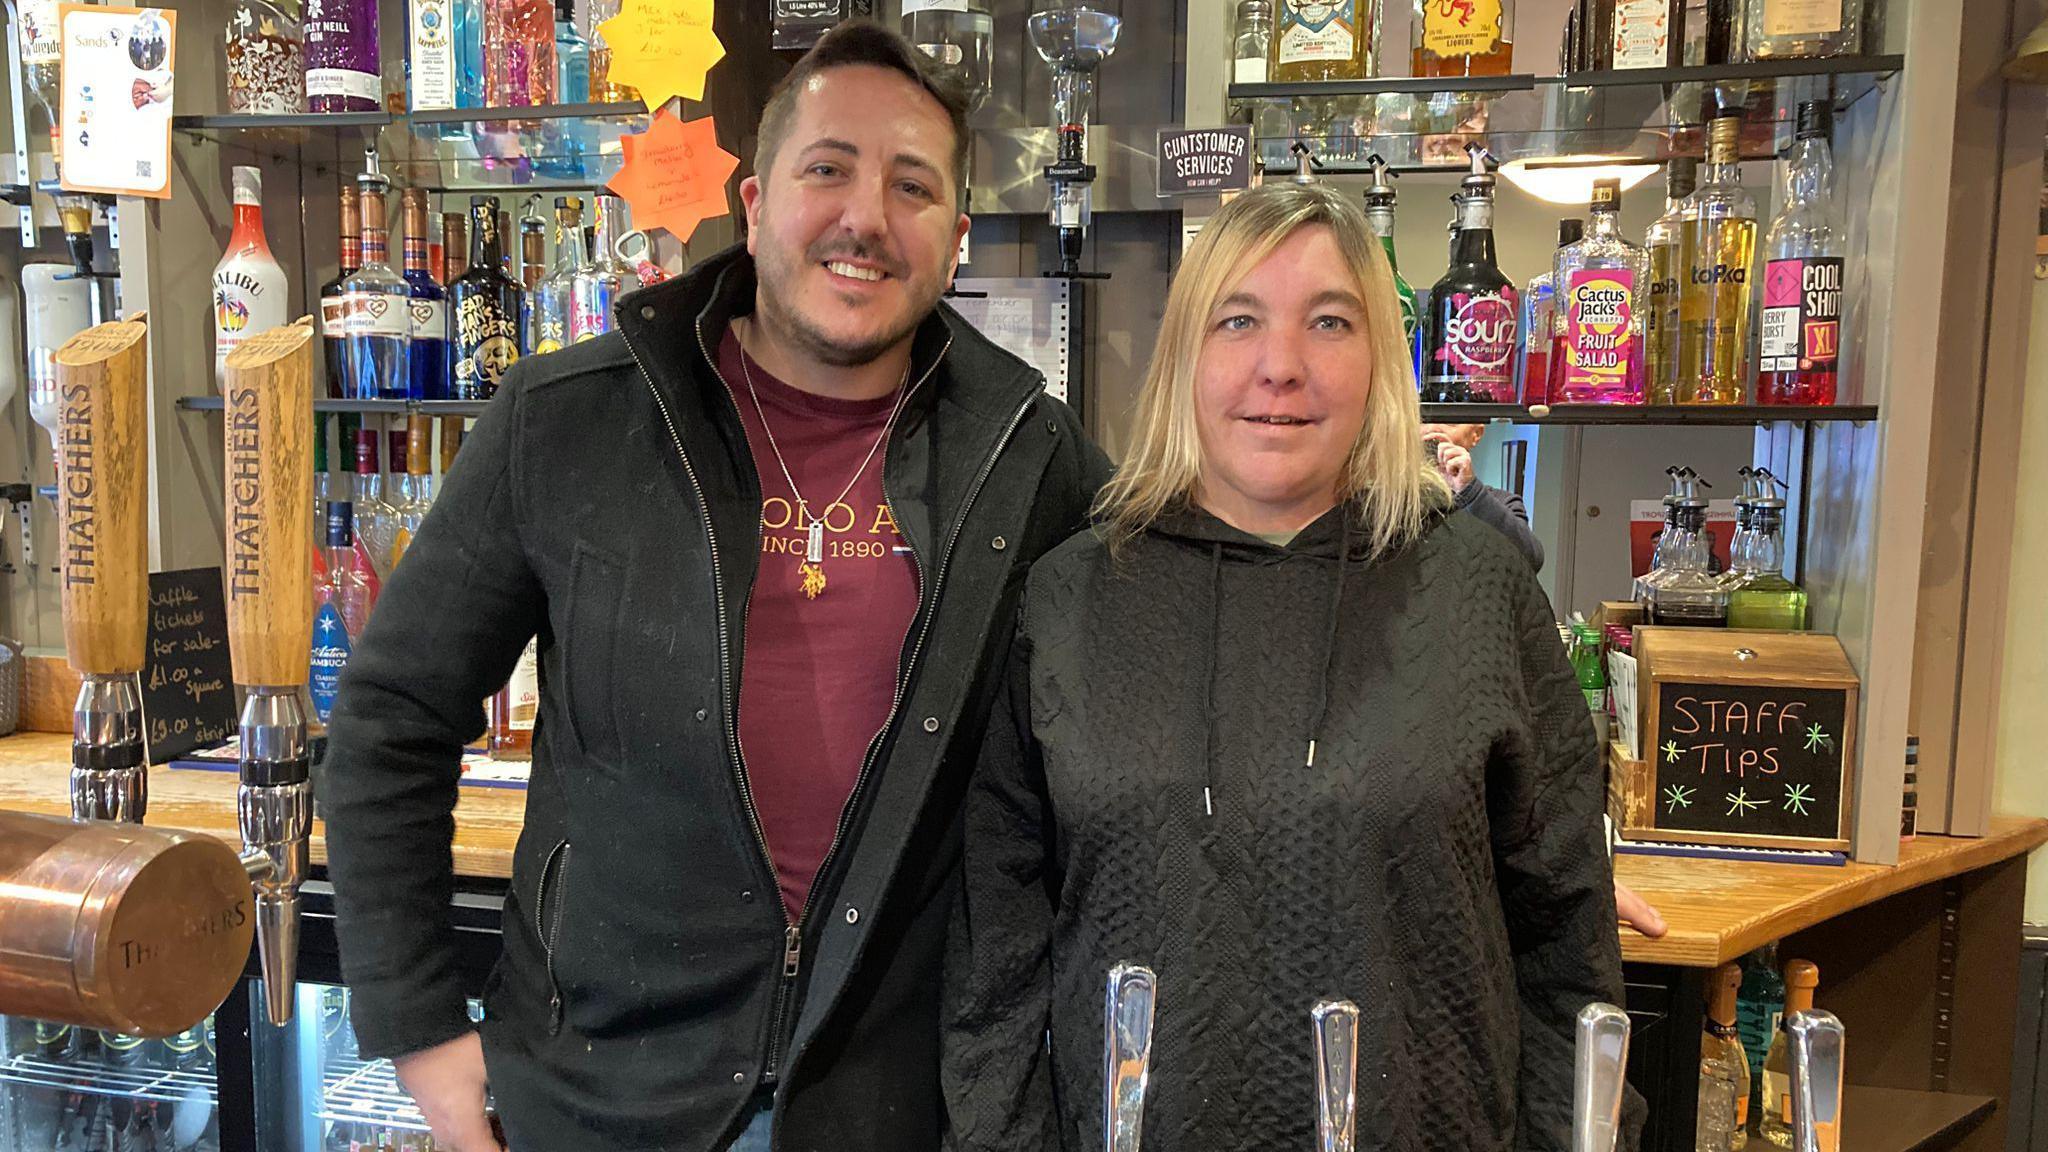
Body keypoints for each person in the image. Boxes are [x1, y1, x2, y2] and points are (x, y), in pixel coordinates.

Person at [321, 21, 1106, 1152]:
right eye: (825, 168)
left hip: (895, 1112)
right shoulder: (564, 422)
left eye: (911, 186)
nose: (863, 218)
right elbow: (394, 718)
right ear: (752, 204)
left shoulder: (1032, 457)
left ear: (957, 239)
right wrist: (417, 1025)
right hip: (599, 1098)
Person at [943, 182, 1637, 1152]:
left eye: (1327, 321)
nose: (1281, 367)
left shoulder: (1479, 592)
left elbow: (1568, 947)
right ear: (1183, 355)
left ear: (1380, 360)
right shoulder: (1067, 600)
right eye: (1238, 321)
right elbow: (995, 965)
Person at [1424, 420, 1545, 571]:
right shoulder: (1393, 502)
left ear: (1476, 434)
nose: (1433, 430)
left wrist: (1470, 491)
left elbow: (1530, 562)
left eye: (1450, 423)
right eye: (1422, 420)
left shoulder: (1501, 502)